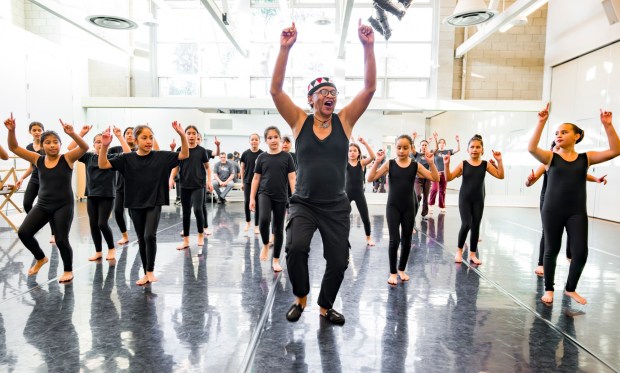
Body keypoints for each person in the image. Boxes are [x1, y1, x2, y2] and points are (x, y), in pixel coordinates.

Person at [270, 19, 376, 325]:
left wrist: (368, 47)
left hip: (335, 206)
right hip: (303, 202)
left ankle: (325, 306)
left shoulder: (344, 121)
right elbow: (276, 89)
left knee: (339, 260)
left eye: (333, 91)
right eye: (324, 91)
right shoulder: (299, 122)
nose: (331, 95)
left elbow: (369, 88)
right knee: (296, 248)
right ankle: (301, 297)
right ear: (311, 98)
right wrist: (284, 49)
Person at [527, 104, 620, 305]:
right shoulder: (551, 157)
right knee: (552, 249)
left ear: (576, 136)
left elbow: (615, 151)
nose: (559, 135)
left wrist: (608, 125)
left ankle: (570, 289)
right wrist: (541, 122)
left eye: (564, 132)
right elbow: (532, 148)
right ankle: (549, 289)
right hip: (552, 210)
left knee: (580, 252)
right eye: (557, 133)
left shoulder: (585, 158)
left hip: (576, 212)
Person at [98, 122, 189, 286]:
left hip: (154, 202)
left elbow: (184, 155)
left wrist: (183, 135)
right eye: (144, 137)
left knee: (149, 236)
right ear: (135, 140)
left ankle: (150, 271)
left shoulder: (161, 156)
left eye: (151, 137)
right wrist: (105, 146)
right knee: (141, 238)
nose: (148, 141)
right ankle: (146, 274)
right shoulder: (127, 158)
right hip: (134, 203)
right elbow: (103, 164)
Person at [5, 114, 89, 283]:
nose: (52, 145)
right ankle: (41, 258)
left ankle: (68, 270)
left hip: (63, 206)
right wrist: (12, 131)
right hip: (43, 205)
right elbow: (13, 147)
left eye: (55, 142)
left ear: (60, 144)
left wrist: (72, 133)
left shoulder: (68, 158)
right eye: (48, 142)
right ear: (42, 146)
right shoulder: (38, 159)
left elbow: (84, 147)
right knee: (24, 232)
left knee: (61, 239)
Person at [525, 141, 607, 276]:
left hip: (568, 202)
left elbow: (581, 174)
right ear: (551, 150)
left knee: (572, 229)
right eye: (556, 148)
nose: (559, 150)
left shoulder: (571, 161)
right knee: (547, 233)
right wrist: (529, 179)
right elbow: (530, 181)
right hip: (548, 200)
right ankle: (541, 263)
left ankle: (570, 255)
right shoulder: (548, 161)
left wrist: (596, 178)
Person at [367, 136, 438, 285]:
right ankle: (393, 272)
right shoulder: (390, 164)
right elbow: (370, 178)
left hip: (408, 207)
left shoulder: (415, 165)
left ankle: (401, 269)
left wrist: (431, 163)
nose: (401, 151)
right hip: (393, 207)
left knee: (407, 240)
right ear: (395, 147)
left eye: (405, 148)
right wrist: (378, 162)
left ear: (411, 148)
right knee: (394, 240)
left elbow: (435, 178)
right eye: (399, 147)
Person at [68, 125, 131, 261]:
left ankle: (111, 249)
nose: (100, 144)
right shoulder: (88, 157)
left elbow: (128, 154)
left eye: (103, 141)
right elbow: (70, 149)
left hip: (107, 195)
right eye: (98, 142)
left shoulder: (112, 157)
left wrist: (120, 136)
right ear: (93, 145)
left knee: (102, 223)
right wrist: (81, 133)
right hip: (91, 195)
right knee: (93, 224)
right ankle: (98, 251)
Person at [444, 134, 504, 265]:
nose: (475, 149)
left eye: (478, 147)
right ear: (468, 149)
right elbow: (449, 178)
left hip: (479, 199)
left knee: (476, 225)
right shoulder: (463, 164)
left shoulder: (485, 164)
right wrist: (447, 165)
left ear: (482, 149)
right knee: (466, 224)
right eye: (472, 147)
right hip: (464, 199)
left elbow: (500, 175)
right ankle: (459, 250)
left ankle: (472, 254)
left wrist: (499, 161)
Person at [249, 126, 296, 272]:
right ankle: (265, 244)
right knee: (263, 220)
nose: (273, 140)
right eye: (270, 138)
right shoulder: (262, 158)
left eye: (276, 137)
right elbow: (256, 179)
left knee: (278, 228)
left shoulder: (286, 157)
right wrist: (252, 197)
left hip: (281, 196)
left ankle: (275, 259)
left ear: (280, 138)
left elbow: (292, 178)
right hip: (264, 193)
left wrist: (294, 197)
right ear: (266, 141)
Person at [169, 125, 213, 250]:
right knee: (186, 212)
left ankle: (200, 235)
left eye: (194, 133)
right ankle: (186, 240)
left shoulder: (201, 151)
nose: (191, 136)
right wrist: (171, 178)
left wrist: (209, 181)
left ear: (197, 135)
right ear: (185, 135)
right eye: (188, 133)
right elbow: (176, 166)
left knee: (198, 210)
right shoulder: (181, 149)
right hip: (184, 185)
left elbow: (208, 167)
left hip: (198, 185)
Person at [14, 121, 56, 243]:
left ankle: (54, 233)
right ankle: (35, 223)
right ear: (30, 132)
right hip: (35, 178)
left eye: (39, 130)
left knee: (49, 207)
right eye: (34, 130)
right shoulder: (29, 147)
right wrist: (21, 178)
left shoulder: (47, 145)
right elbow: (32, 166)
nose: (37, 132)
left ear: (43, 131)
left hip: (47, 180)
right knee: (27, 203)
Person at [108, 127, 137, 245]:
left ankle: (140, 234)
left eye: (132, 133)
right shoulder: (116, 149)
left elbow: (129, 155)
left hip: (135, 187)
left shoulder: (139, 149)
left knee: (133, 213)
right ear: (124, 136)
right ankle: (124, 235)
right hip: (120, 186)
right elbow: (103, 152)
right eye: (127, 133)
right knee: (118, 211)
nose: (129, 135)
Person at [346, 137, 376, 246]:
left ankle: (368, 237)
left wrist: (365, 143)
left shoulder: (362, 163)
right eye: (350, 151)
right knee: (343, 217)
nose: (352, 153)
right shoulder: (344, 163)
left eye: (355, 151)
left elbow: (373, 157)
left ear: (359, 153)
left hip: (359, 194)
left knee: (365, 217)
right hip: (346, 194)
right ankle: (344, 238)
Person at [429, 132, 460, 214]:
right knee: (434, 189)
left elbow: (457, 150)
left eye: (443, 143)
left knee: (442, 191)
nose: (442, 144)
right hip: (436, 173)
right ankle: (431, 204)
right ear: (438, 144)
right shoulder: (435, 151)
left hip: (444, 174)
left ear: (445, 144)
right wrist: (435, 139)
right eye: (440, 143)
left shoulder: (447, 152)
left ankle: (442, 206)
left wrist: (458, 141)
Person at [240, 134, 264, 234]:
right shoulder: (245, 154)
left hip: (259, 183)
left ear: (259, 141)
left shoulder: (262, 154)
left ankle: (256, 225)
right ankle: (248, 222)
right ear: (249, 141)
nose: (254, 141)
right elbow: (242, 168)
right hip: (247, 182)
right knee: (247, 202)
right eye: (252, 140)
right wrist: (242, 182)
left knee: (257, 203)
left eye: (256, 139)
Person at [410, 134, 434, 219]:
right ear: (420, 146)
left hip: (427, 179)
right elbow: (411, 147)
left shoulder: (429, 156)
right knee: (418, 195)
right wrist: (414, 138)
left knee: (426, 197)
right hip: (418, 179)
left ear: (428, 146)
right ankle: (414, 210)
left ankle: (424, 214)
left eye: (425, 145)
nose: (424, 146)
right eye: (422, 145)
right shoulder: (417, 154)